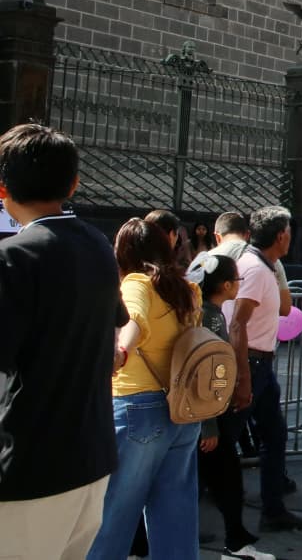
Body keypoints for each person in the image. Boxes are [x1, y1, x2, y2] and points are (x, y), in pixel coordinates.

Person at [0, 124, 122, 560]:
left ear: (3, 189)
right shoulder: (97, 244)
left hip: (33, 462)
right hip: (91, 457)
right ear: (72, 183)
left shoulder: (15, 255)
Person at [88, 218, 202, 560]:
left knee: (115, 511)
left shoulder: (137, 282)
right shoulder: (187, 289)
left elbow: (133, 319)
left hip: (137, 407)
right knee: (175, 512)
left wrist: (121, 351)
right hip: (182, 409)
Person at [222, 207, 302, 530]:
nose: (290, 237)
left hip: (262, 365)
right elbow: (237, 323)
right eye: (288, 231)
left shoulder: (263, 266)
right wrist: (243, 378)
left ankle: (273, 510)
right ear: (280, 236)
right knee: (223, 442)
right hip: (250, 365)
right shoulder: (257, 270)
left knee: (273, 437)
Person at [193, 254, 273, 560]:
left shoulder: (206, 312)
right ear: (226, 284)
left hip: (207, 414)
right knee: (226, 479)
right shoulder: (210, 317)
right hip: (210, 414)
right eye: (237, 279)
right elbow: (206, 372)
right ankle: (236, 543)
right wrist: (209, 424)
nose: (240, 284)